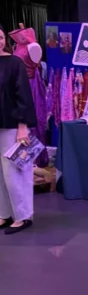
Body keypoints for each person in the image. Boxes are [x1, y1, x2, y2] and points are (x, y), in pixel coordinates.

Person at [0, 24, 37, 235]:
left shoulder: (15, 63)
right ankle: (4, 213)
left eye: (2, 37)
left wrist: (22, 126)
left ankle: (22, 216)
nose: (0, 41)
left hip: (12, 126)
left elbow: (23, 94)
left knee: (13, 172)